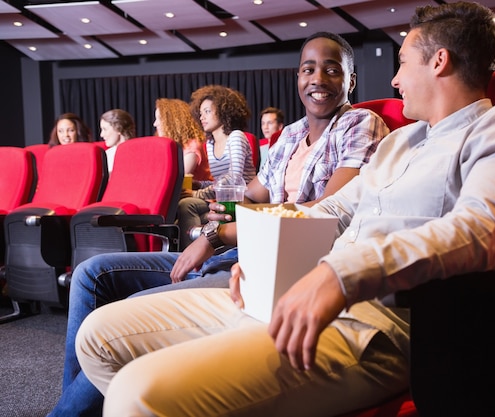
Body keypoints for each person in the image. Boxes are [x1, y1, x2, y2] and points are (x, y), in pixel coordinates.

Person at [75, 2, 495, 416]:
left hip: (379, 320)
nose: (393, 77)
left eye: (403, 61)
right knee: (96, 335)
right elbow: (329, 210)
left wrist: (340, 273)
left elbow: (482, 231)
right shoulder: (402, 141)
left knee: (136, 396)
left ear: (439, 61)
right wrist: (258, 256)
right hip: (293, 290)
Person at [47, 31, 388, 417]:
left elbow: (329, 209)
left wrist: (216, 234)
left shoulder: (360, 122)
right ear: (297, 77)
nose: (318, 79)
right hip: (242, 248)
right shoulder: (290, 135)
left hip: (288, 263)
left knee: (131, 310)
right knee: (92, 274)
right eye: (308, 69)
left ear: (351, 80)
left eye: (332, 70)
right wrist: (216, 210)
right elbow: (253, 194)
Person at [178, 85, 257, 249]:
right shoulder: (210, 144)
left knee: (187, 204)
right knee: (185, 205)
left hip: (244, 200)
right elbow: (221, 181)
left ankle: (193, 255)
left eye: (207, 111)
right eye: (200, 113)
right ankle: (192, 256)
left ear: (223, 111)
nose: (202, 117)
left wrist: (198, 193)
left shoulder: (236, 137)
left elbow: (234, 178)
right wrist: (200, 184)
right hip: (224, 198)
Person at [153, 98, 212, 182]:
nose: (155, 124)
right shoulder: (168, 145)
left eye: (159, 118)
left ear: (172, 121)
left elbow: (175, 181)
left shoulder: (192, 148)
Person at [99, 109, 136, 173]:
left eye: (105, 129)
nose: (101, 135)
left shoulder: (138, 153)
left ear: (119, 128)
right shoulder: (107, 155)